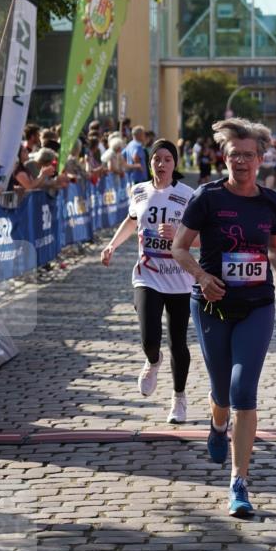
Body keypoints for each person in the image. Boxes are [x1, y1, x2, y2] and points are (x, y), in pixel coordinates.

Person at [171, 117, 276, 519]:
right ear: (224, 158)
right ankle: (216, 423)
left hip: (257, 305)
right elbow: (179, 248)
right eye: (233, 155)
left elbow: (275, 248)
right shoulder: (207, 198)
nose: (241, 162)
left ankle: (238, 482)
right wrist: (203, 277)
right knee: (222, 392)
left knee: (244, 389)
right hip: (211, 305)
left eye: (248, 155)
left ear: (261, 159)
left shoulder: (272, 202)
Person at [101, 139, 195, 423]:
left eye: (167, 159)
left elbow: (202, 238)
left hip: (179, 279)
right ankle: (153, 361)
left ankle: (178, 399)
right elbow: (131, 221)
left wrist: (177, 235)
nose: (162, 164)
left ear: (174, 164)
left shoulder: (188, 195)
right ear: (149, 162)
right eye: (157, 159)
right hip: (147, 275)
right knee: (149, 338)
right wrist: (112, 245)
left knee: (178, 341)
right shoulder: (139, 190)